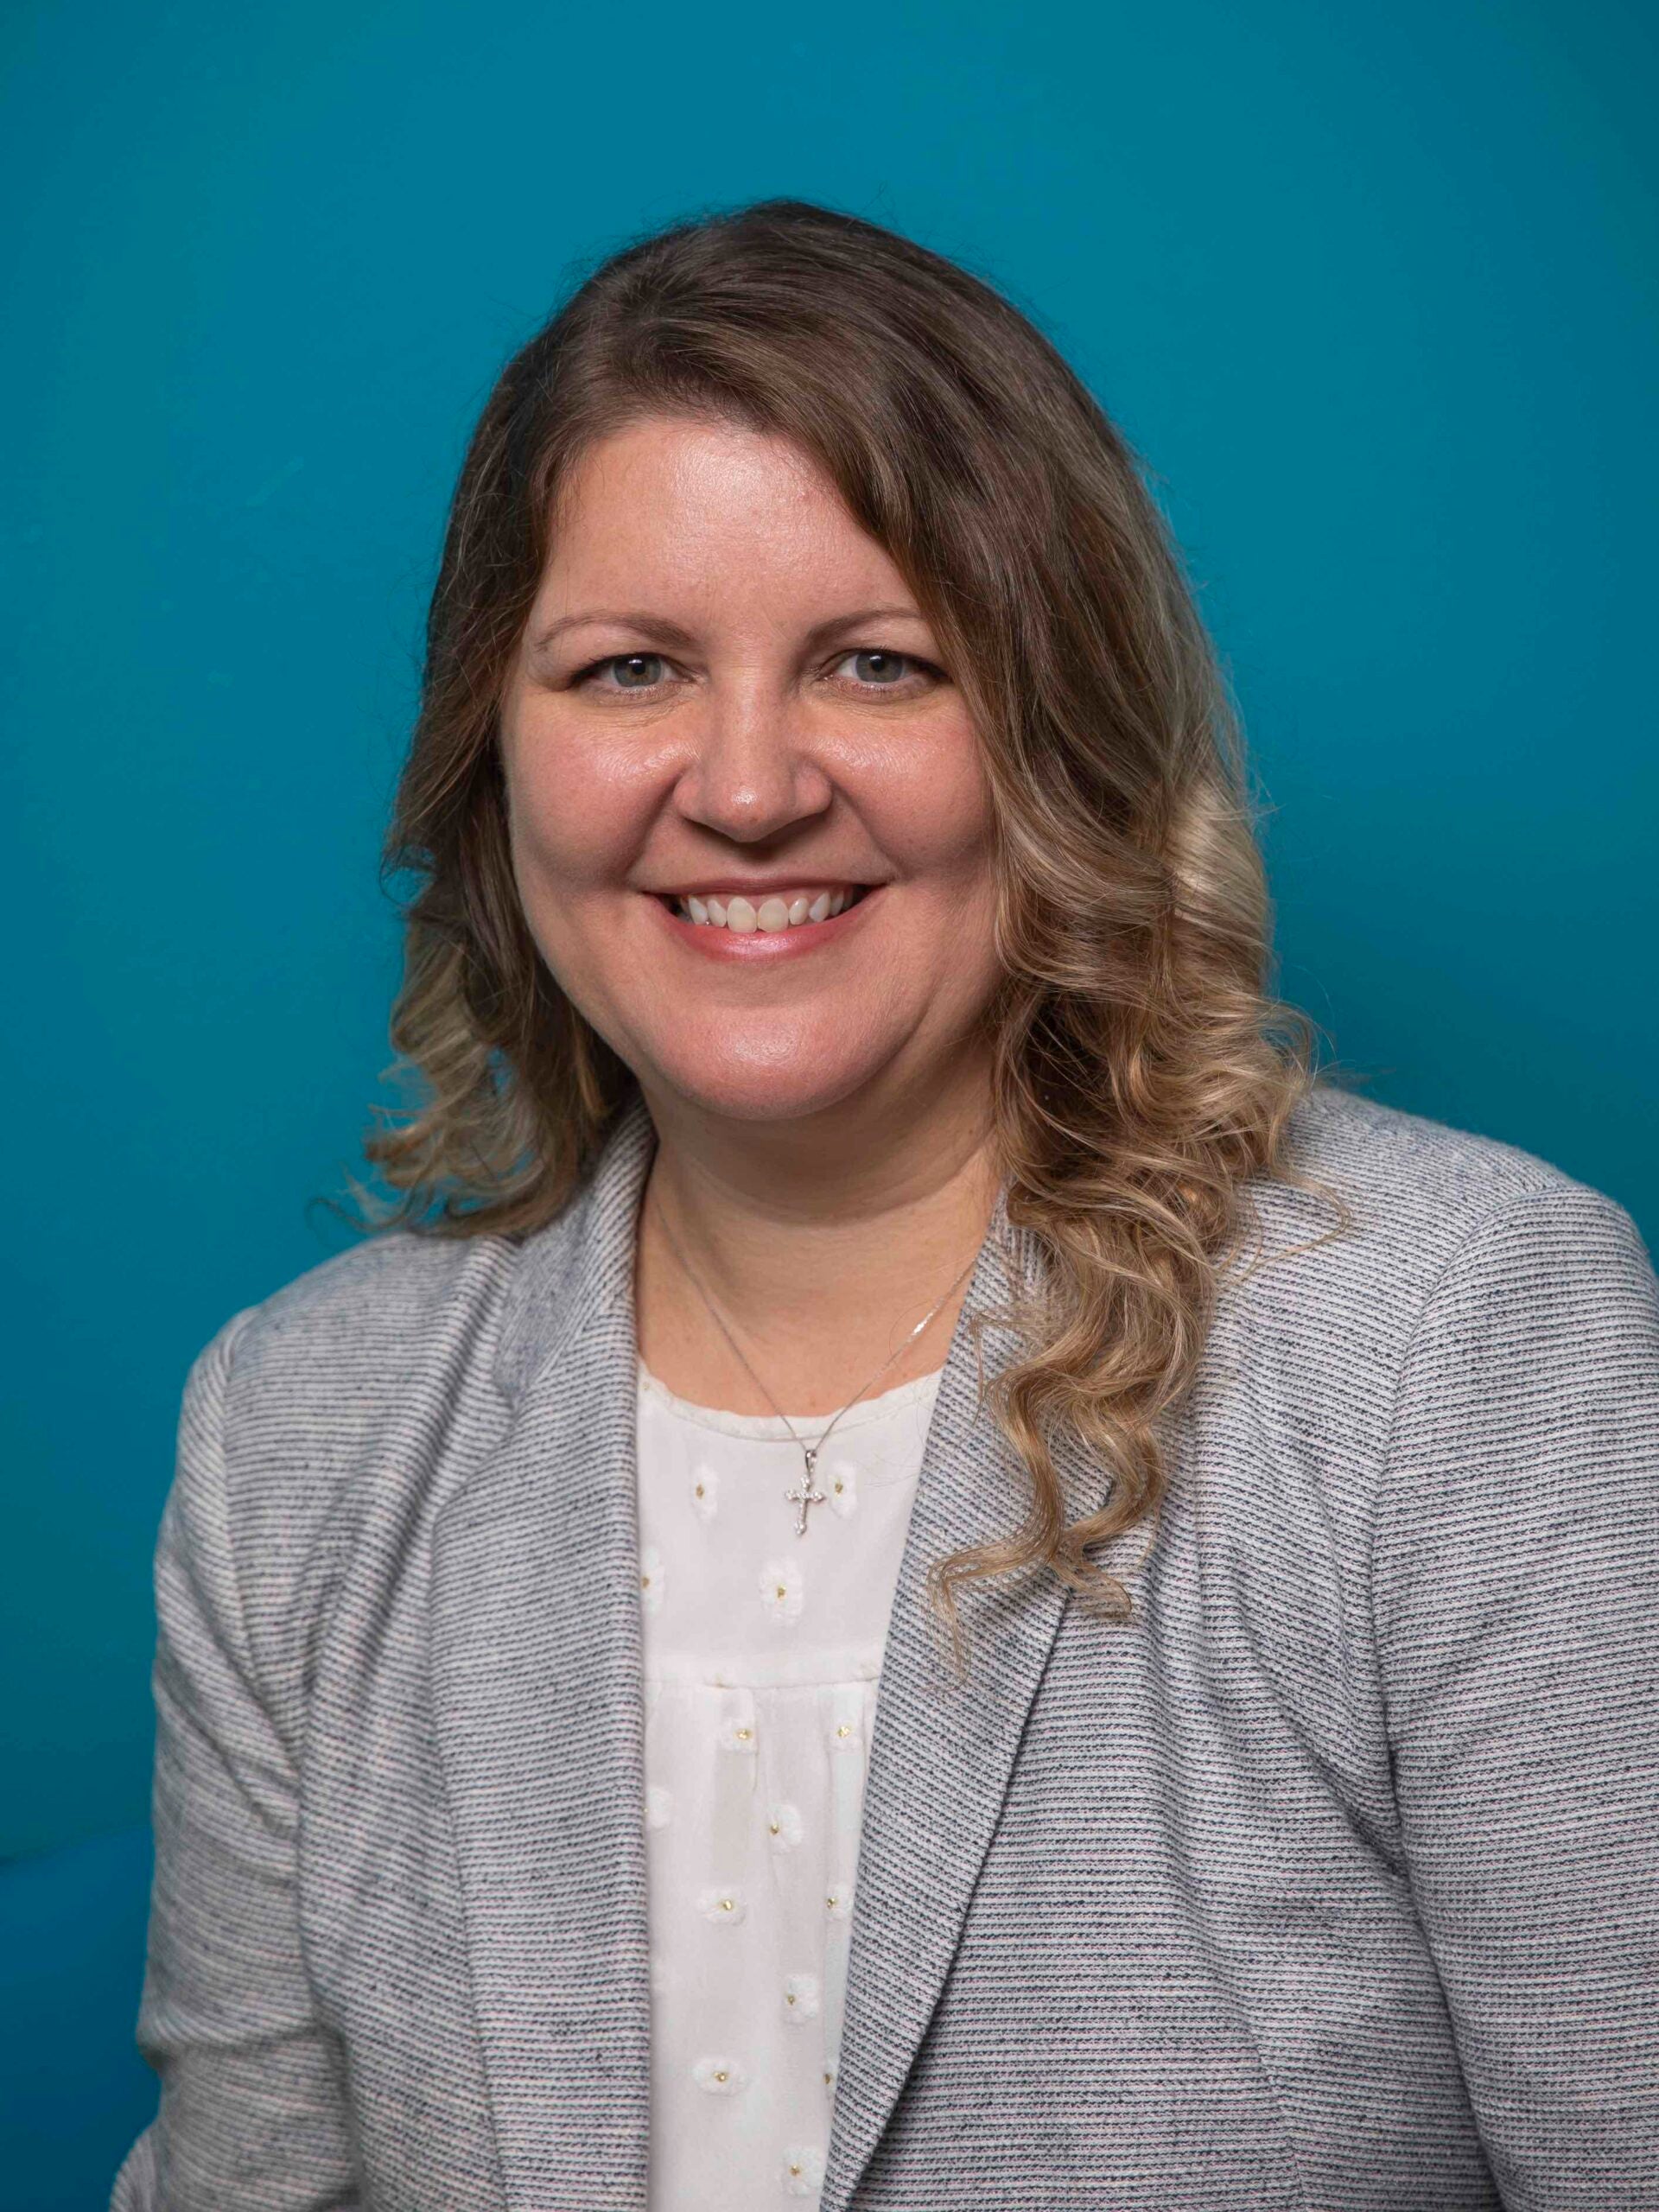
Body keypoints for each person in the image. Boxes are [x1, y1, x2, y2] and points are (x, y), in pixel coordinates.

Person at [111, 199, 1659, 2212]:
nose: (747, 787)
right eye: (632, 665)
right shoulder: (298, 1441)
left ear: (1065, 738)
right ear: (494, 756)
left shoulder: (1464, 1343)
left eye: (879, 660)